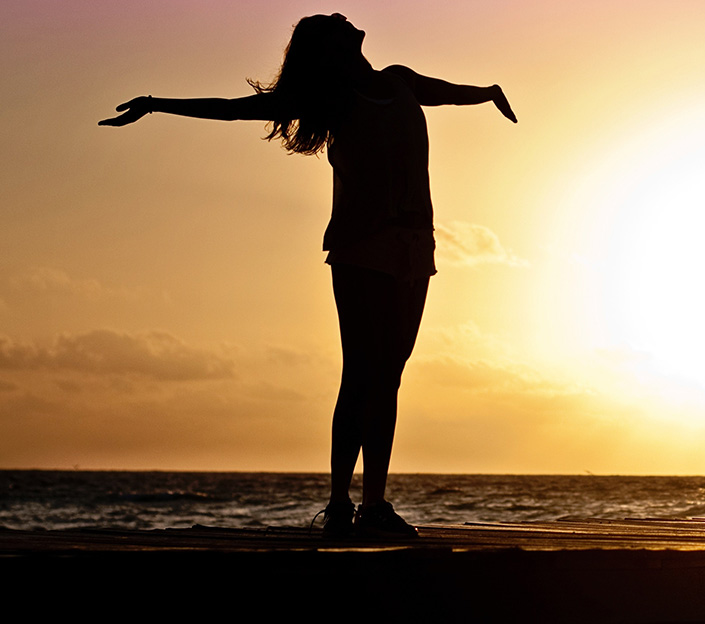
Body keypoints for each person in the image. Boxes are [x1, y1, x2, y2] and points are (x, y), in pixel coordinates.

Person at [101, 13, 517, 538]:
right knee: (363, 374)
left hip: (416, 248)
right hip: (362, 247)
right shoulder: (335, 98)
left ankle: (369, 505)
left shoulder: (399, 81)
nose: (345, 17)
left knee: (387, 377)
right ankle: (348, 505)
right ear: (330, 48)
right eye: (333, 22)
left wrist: (488, 92)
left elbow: (449, 93)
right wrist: (159, 104)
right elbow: (237, 111)